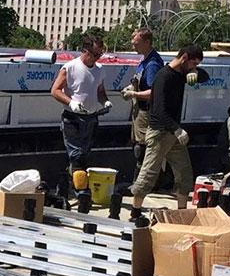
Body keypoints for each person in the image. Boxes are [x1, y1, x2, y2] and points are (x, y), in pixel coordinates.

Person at [129, 45, 209, 210]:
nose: (194, 67)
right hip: (159, 132)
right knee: (149, 173)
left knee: (184, 173)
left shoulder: (183, 74)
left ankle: (182, 211)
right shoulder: (163, 77)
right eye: (194, 63)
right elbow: (159, 110)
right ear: (184, 58)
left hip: (173, 133)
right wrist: (177, 129)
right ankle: (135, 211)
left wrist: (196, 72)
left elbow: (205, 76)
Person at [51, 33, 112, 200]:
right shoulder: (70, 68)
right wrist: (71, 102)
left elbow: (100, 90)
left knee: (83, 156)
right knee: (77, 156)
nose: (97, 57)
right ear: (85, 51)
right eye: (95, 54)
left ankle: (65, 185)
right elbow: (55, 90)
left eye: (100, 54)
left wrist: (105, 101)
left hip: (91, 118)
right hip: (73, 119)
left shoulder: (99, 70)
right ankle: (82, 193)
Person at [121, 27, 164, 174]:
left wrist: (133, 94)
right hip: (139, 112)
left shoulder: (152, 64)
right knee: (138, 145)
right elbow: (140, 81)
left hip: (146, 112)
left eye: (136, 43)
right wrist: (131, 87)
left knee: (143, 149)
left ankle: (143, 180)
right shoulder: (144, 60)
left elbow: (154, 92)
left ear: (147, 42)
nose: (133, 45)